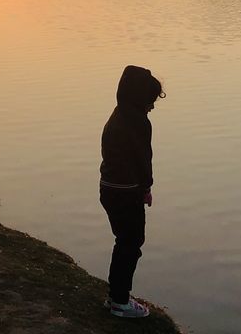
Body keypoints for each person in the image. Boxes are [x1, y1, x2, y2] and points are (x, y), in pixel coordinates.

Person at [99, 64, 164, 319]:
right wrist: (146, 187)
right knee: (131, 243)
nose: (152, 106)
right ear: (140, 97)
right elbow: (142, 159)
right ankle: (120, 301)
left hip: (109, 188)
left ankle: (116, 296)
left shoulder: (117, 115)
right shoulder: (139, 123)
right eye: (151, 100)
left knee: (124, 241)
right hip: (126, 191)